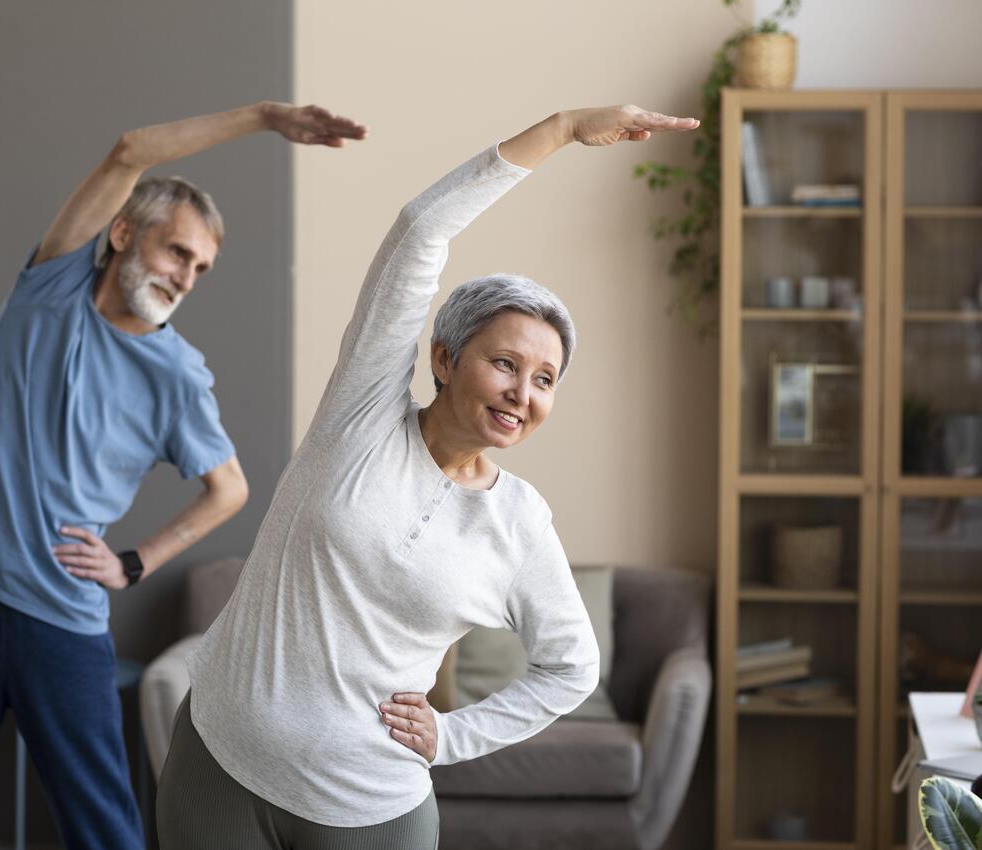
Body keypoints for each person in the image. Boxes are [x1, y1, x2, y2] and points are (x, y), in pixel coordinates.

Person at [158, 103, 699, 849]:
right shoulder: (362, 414)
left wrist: (453, 736)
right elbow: (422, 228)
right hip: (215, 764)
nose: (523, 392)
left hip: (368, 809)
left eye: (545, 380)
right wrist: (564, 129)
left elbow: (571, 668)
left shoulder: (518, 523)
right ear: (444, 359)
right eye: (505, 363)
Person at [0, 101, 367, 850]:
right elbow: (128, 151)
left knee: (105, 831)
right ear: (122, 233)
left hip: (57, 615)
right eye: (178, 252)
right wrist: (267, 118)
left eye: (200, 268)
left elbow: (231, 489)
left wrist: (132, 561)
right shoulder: (49, 285)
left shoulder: (179, 378)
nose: (187, 276)